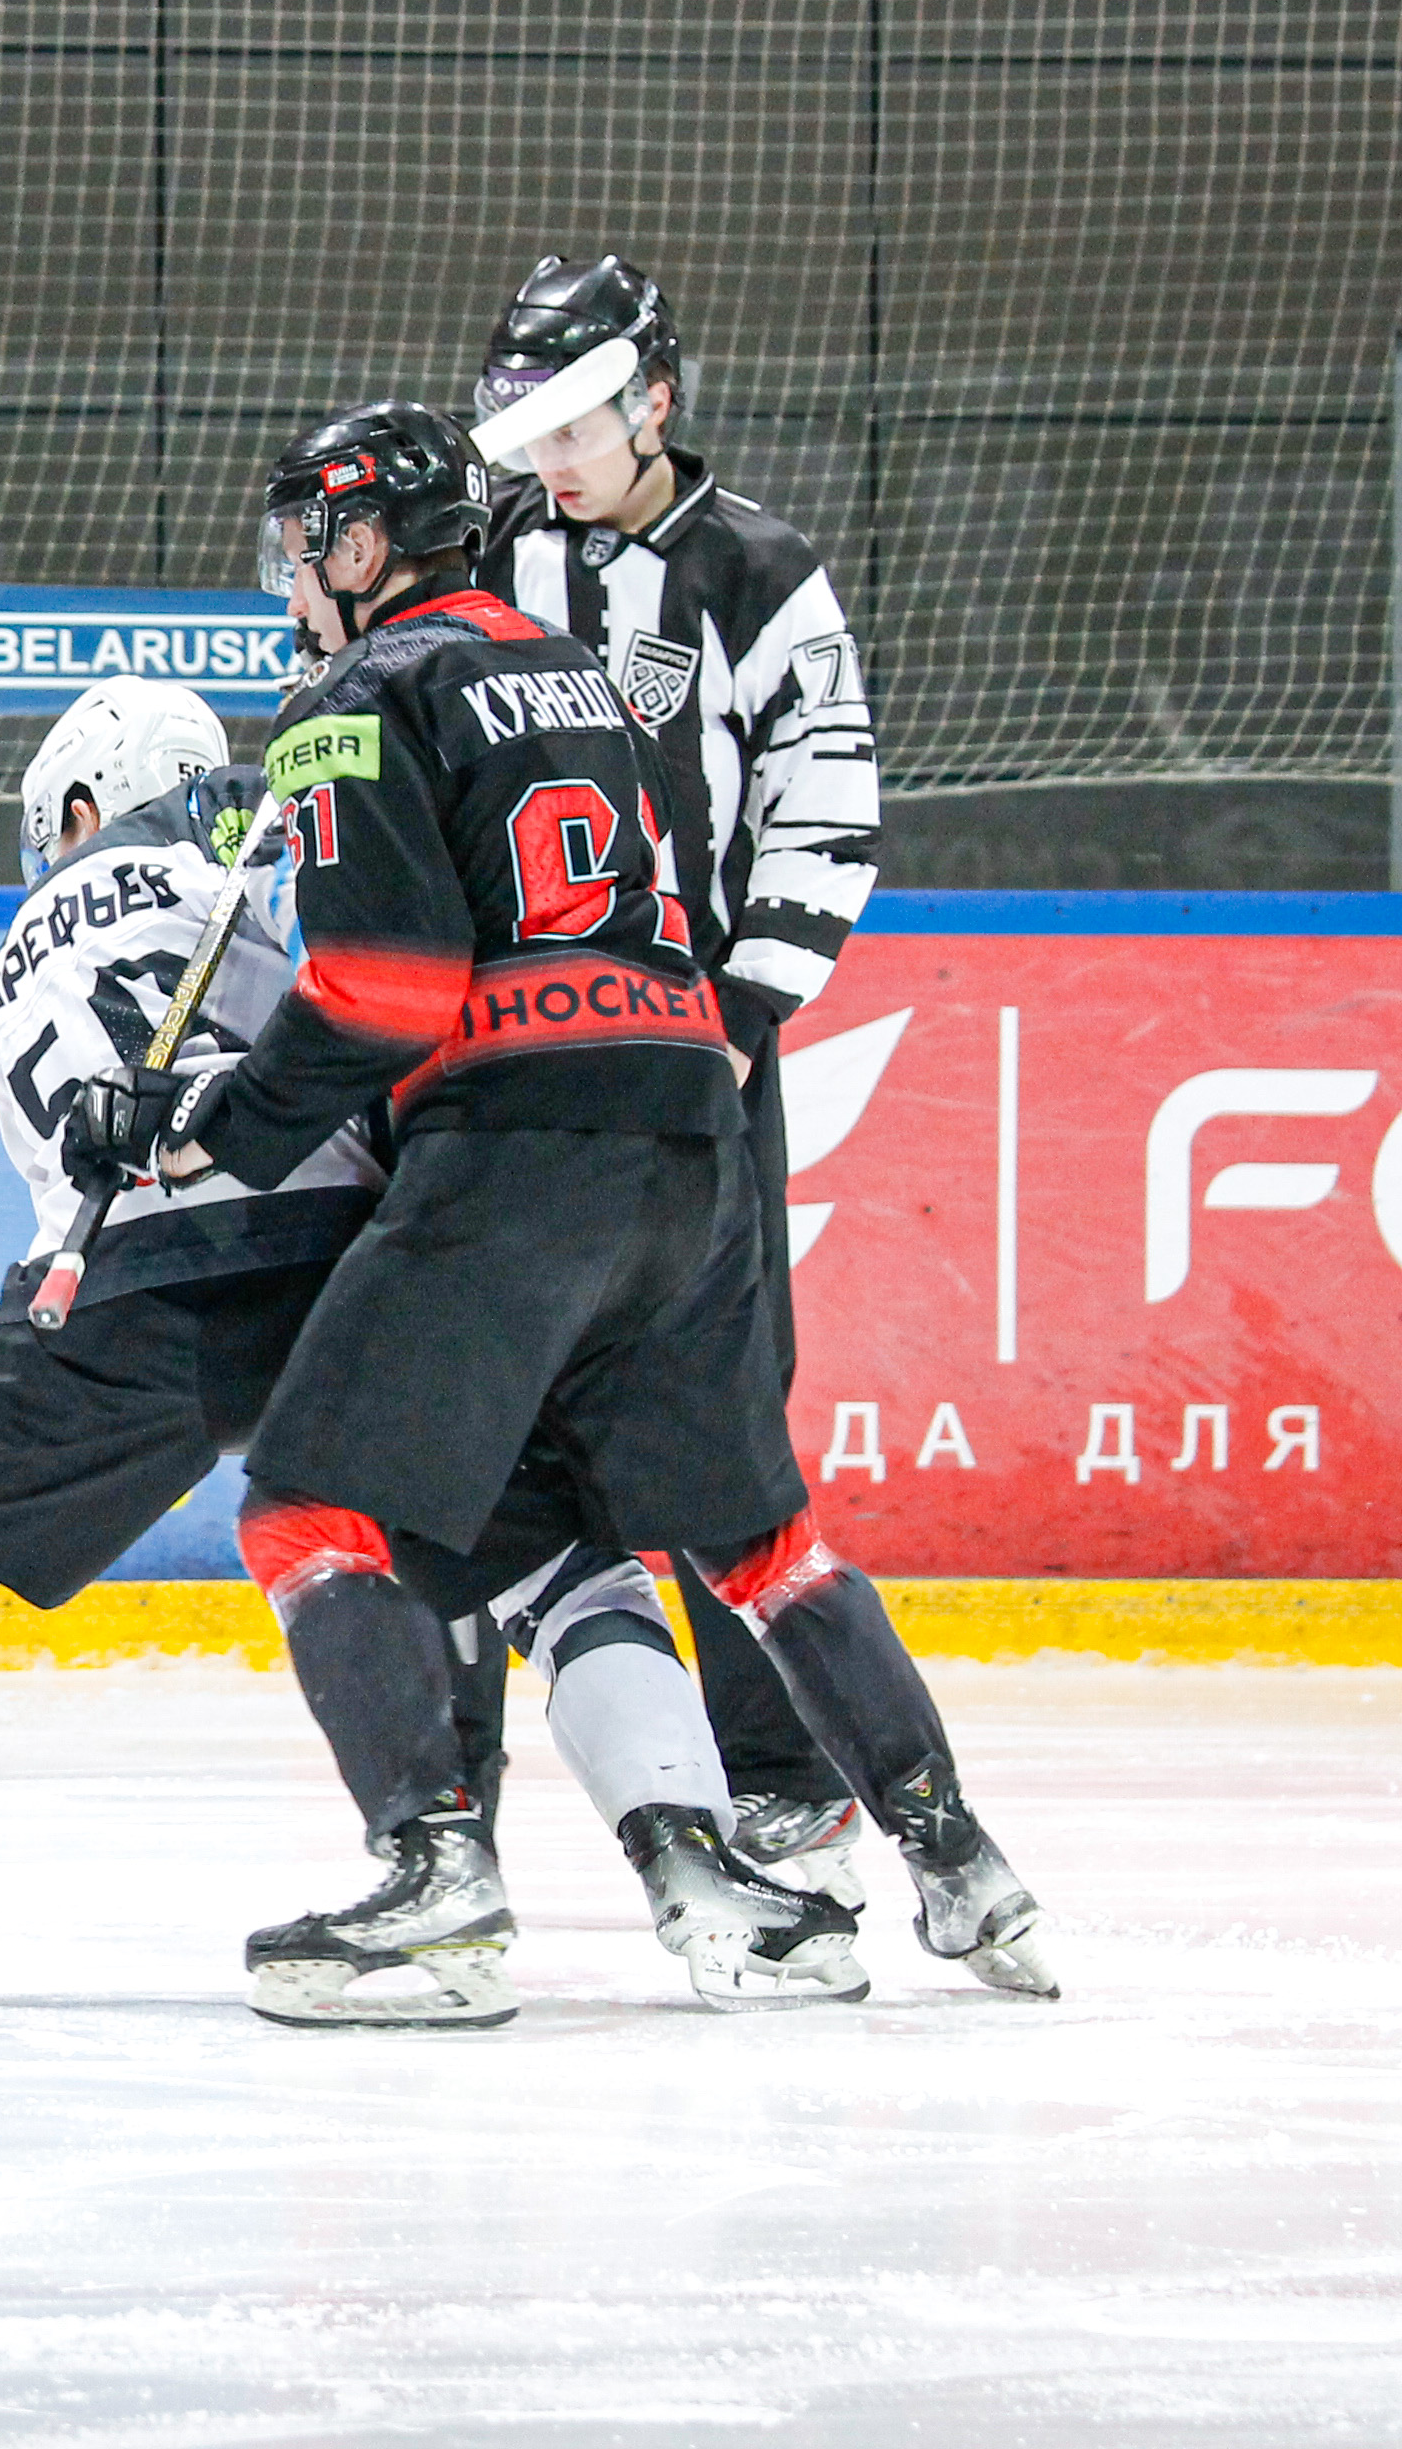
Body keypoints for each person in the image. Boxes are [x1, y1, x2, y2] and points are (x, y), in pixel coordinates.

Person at [0, 676, 857, 2013]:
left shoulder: (6, 963)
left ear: (82, 808)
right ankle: (695, 1869)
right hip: (343, 1265)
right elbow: (376, 1029)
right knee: (560, 1571)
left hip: (128, 1290)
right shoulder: (258, 883)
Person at [62, 400, 1046, 2026]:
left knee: (310, 1511)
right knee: (758, 1539)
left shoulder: (355, 699)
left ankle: (432, 1874)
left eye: (306, 545)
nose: (291, 580)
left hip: (522, 1152)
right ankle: (961, 1862)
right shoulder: (576, 664)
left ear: (368, 545)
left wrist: (203, 1128)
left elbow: (382, 991)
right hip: (691, 1128)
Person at [469, 253, 890, 1906]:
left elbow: (825, 806)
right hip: (508, 1060)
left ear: (655, 401)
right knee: (477, 1396)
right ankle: (452, 1783)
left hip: (692, 1059)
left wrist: (739, 1015)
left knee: (713, 1413)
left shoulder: (758, 573)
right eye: (534, 433)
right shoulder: (490, 556)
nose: (553, 462)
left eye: (579, 428)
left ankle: (780, 1768)